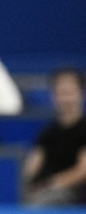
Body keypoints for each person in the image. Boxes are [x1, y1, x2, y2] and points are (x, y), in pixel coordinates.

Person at [23, 67, 86, 205]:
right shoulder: (48, 132)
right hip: (42, 189)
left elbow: (82, 171)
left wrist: (51, 184)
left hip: (70, 192)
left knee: (37, 203)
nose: (65, 99)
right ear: (53, 96)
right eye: (60, 93)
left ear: (81, 93)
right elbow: (32, 166)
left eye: (69, 93)